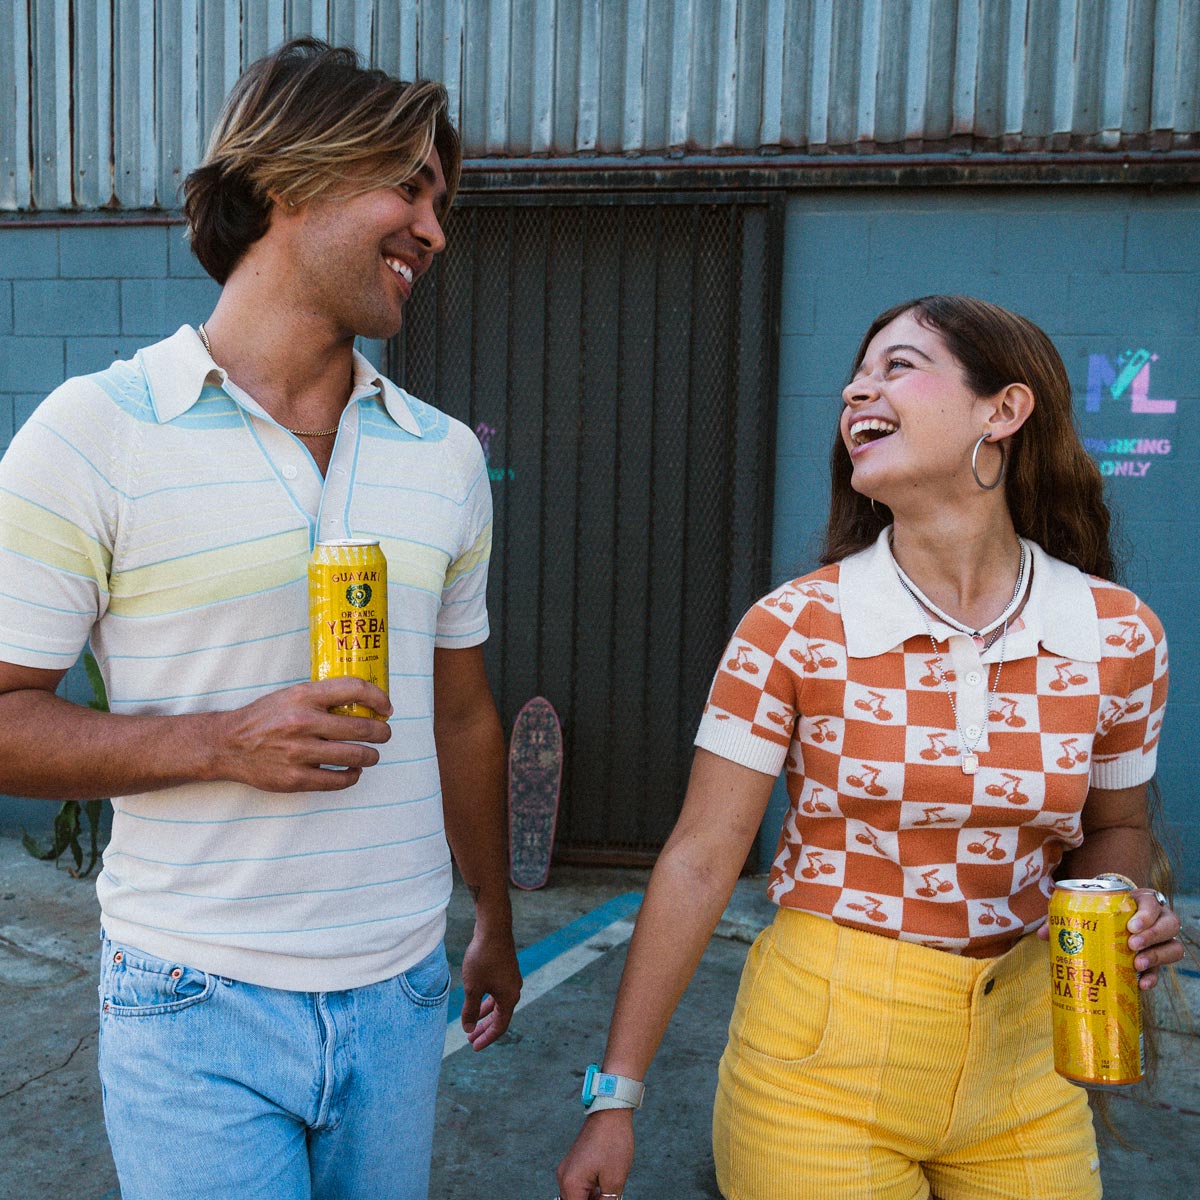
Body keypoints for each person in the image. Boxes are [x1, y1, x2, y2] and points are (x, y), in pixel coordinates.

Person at [0, 38, 520, 1200]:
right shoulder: (98, 434)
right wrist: (220, 741)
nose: (434, 229)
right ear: (289, 178)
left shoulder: (443, 457)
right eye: (410, 186)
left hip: (400, 993)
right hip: (195, 1000)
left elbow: (467, 714)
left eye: (443, 200)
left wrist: (490, 915)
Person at [557, 295, 1183, 1200]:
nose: (857, 390)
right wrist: (613, 1098)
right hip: (818, 1062)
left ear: (1002, 412)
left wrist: (1130, 905)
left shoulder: (1120, 635)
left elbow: (1117, 829)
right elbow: (699, 860)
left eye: (897, 366)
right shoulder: (795, 626)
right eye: (856, 373)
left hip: (1027, 1065)